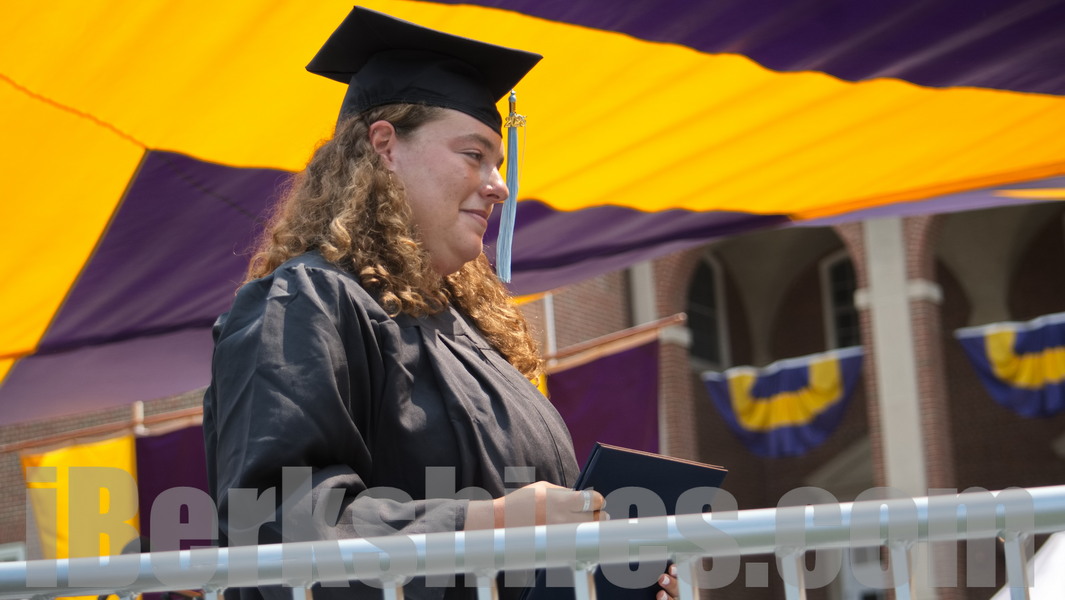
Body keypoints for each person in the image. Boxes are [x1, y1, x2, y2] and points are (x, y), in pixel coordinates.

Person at [201, 6, 680, 600]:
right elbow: (276, 525)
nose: (499, 185)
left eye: (499, 163)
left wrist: (607, 579)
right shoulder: (304, 304)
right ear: (385, 146)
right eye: (473, 154)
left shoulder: (470, 333)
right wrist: (486, 527)